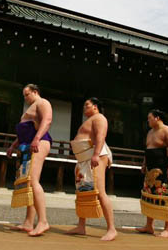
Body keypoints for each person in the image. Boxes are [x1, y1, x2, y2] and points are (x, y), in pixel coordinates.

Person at [66, 98, 116, 241]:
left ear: (95, 107)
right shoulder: (89, 120)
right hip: (84, 159)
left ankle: (111, 229)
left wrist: (95, 154)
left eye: (86, 105)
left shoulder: (99, 118)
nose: (84, 108)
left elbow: (101, 136)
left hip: (96, 156)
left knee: (100, 192)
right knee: (83, 191)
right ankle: (81, 226)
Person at [6, 84, 53, 237]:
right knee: (28, 182)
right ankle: (28, 221)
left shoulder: (42, 102)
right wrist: (13, 146)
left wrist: (37, 138)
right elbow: (22, 132)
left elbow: (47, 121)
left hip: (38, 142)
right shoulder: (31, 107)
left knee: (33, 180)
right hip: (27, 143)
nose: (25, 98)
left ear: (35, 92)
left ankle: (43, 221)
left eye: (27, 94)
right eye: (24, 95)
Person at [135, 109, 168, 238]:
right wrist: (144, 164)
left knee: (167, 198)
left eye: (149, 118)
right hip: (150, 168)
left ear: (157, 118)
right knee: (149, 196)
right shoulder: (150, 132)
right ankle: (149, 226)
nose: (148, 120)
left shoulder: (167, 131)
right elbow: (148, 150)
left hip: (164, 168)